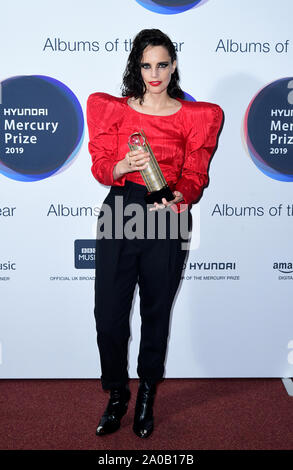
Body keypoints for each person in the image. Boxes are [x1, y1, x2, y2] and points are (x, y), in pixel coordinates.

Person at [86, 28, 223, 438]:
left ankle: (146, 393)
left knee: (155, 313)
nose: (155, 73)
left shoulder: (196, 117)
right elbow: (99, 167)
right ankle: (116, 394)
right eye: (146, 65)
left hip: (168, 216)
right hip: (121, 211)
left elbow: (197, 175)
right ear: (136, 67)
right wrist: (124, 165)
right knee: (108, 316)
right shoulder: (112, 111)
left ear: (174, 65)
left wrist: (183, 193)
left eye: (162, 64)